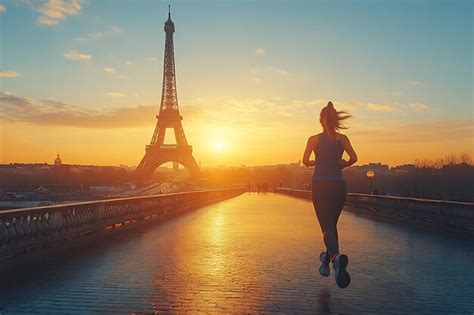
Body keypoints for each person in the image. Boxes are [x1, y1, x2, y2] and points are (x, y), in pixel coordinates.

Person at [302, 101, 358, 289]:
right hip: (339, 185)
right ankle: (327, 261)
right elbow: (354, 158)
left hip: (320, 184)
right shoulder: (343, 139)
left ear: (320, 121)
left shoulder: (313, 139)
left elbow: (305, 160)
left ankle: (335, 257)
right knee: (332, 226)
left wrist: (314, 164)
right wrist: (342, 165)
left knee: (326, 229)